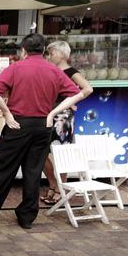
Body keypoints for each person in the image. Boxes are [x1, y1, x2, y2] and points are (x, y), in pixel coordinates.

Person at [0, 33, 84, 229]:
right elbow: (77, 93)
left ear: (23, 50)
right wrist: (52, 113)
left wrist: (6, 113)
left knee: (5, 170)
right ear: (43, 50)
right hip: (42, 126)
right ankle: (27, 217)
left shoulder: (16, 68)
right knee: (33, 171)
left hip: (18, 125)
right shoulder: (54, 70)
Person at [40, 41, 93, 204]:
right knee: (42, 153)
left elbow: (87, 88)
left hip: (63, 117)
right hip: (46, 114)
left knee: (61, 154)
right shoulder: (49, 69)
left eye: (51, 53)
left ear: (62, 54)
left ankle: (60, 189)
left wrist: (71, 102)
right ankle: (53, 185)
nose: (49, 56)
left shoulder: (71, 72)